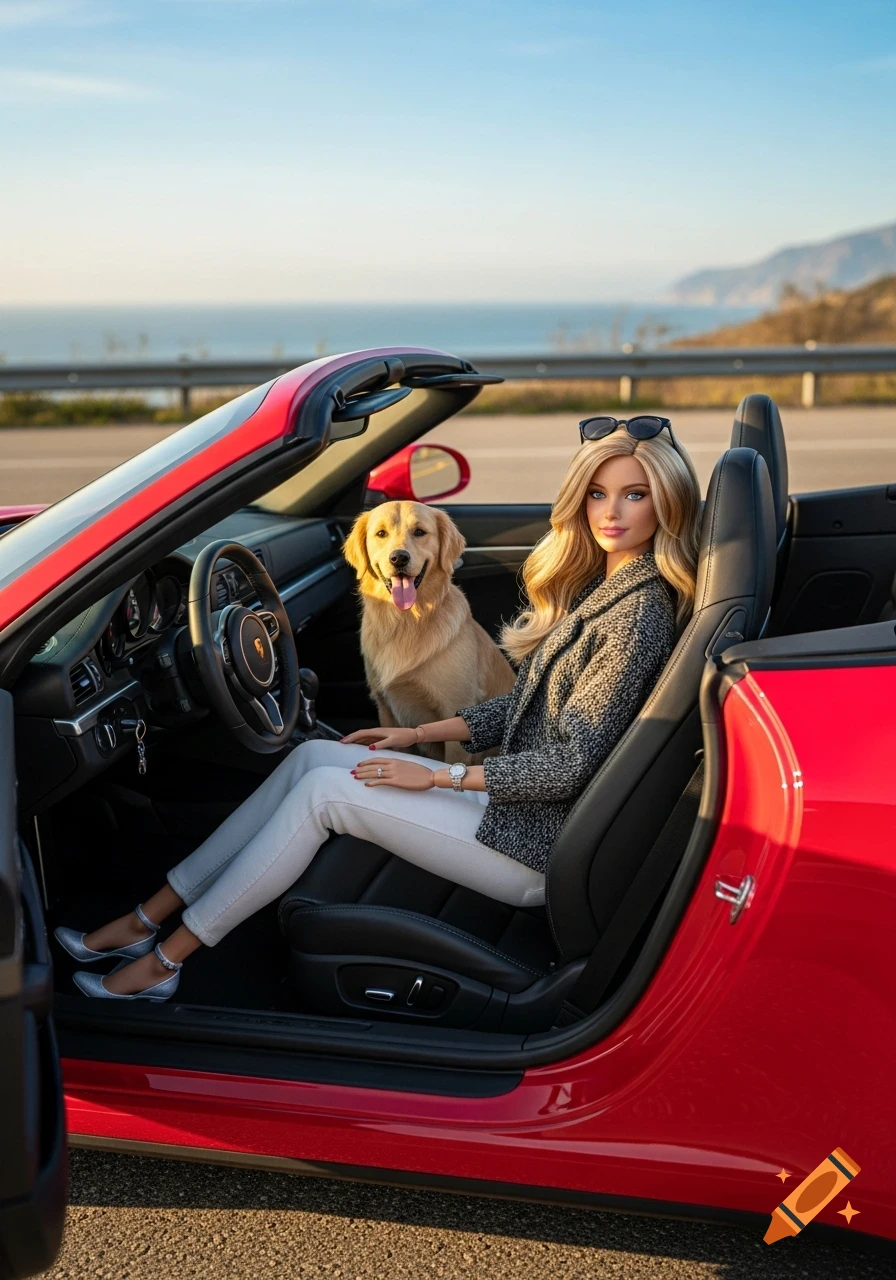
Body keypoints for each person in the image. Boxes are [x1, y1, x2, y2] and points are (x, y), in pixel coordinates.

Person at [57, 420, 702, 1000]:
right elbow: (522, 710)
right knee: (314, 753)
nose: (609, 511)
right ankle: (145, 916)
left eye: (633, 494)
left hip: (532, 847)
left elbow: (571, 764)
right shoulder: (610, 588)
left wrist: (437, 772)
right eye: (597, 492)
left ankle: (166, 960)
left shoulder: (635, 615)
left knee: (323, 798)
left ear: (665, 504)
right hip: (518, 811)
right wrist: (417, 733)